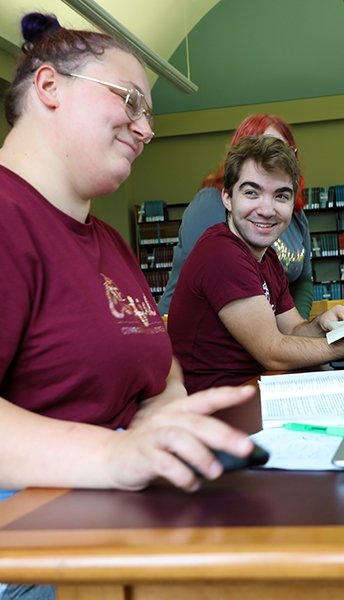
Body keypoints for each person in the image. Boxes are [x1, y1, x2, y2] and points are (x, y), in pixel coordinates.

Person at [0, 13, 257, 507]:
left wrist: (165, 414)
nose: (145, 130)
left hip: (125, 506)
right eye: (132, 101)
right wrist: (116, 455)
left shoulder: (111, 243)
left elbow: (160, 365)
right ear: (50, 86)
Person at [167, 136, 344, 393]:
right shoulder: (221, 252)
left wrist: (322, 323)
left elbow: (292, 331)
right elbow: (273, 351)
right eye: (252, 193)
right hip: (216, 410)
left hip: (257, 390)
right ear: (227, 198)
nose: (267, 209)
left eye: (281, 196)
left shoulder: (269, 257)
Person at [158, 114, 313, 318]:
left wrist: (296, 326)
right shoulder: (210, 204)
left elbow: (303, 280)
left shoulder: (294, 217)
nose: (266, 211)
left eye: (282, 149)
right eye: (251, 192)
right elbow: (220, 279)